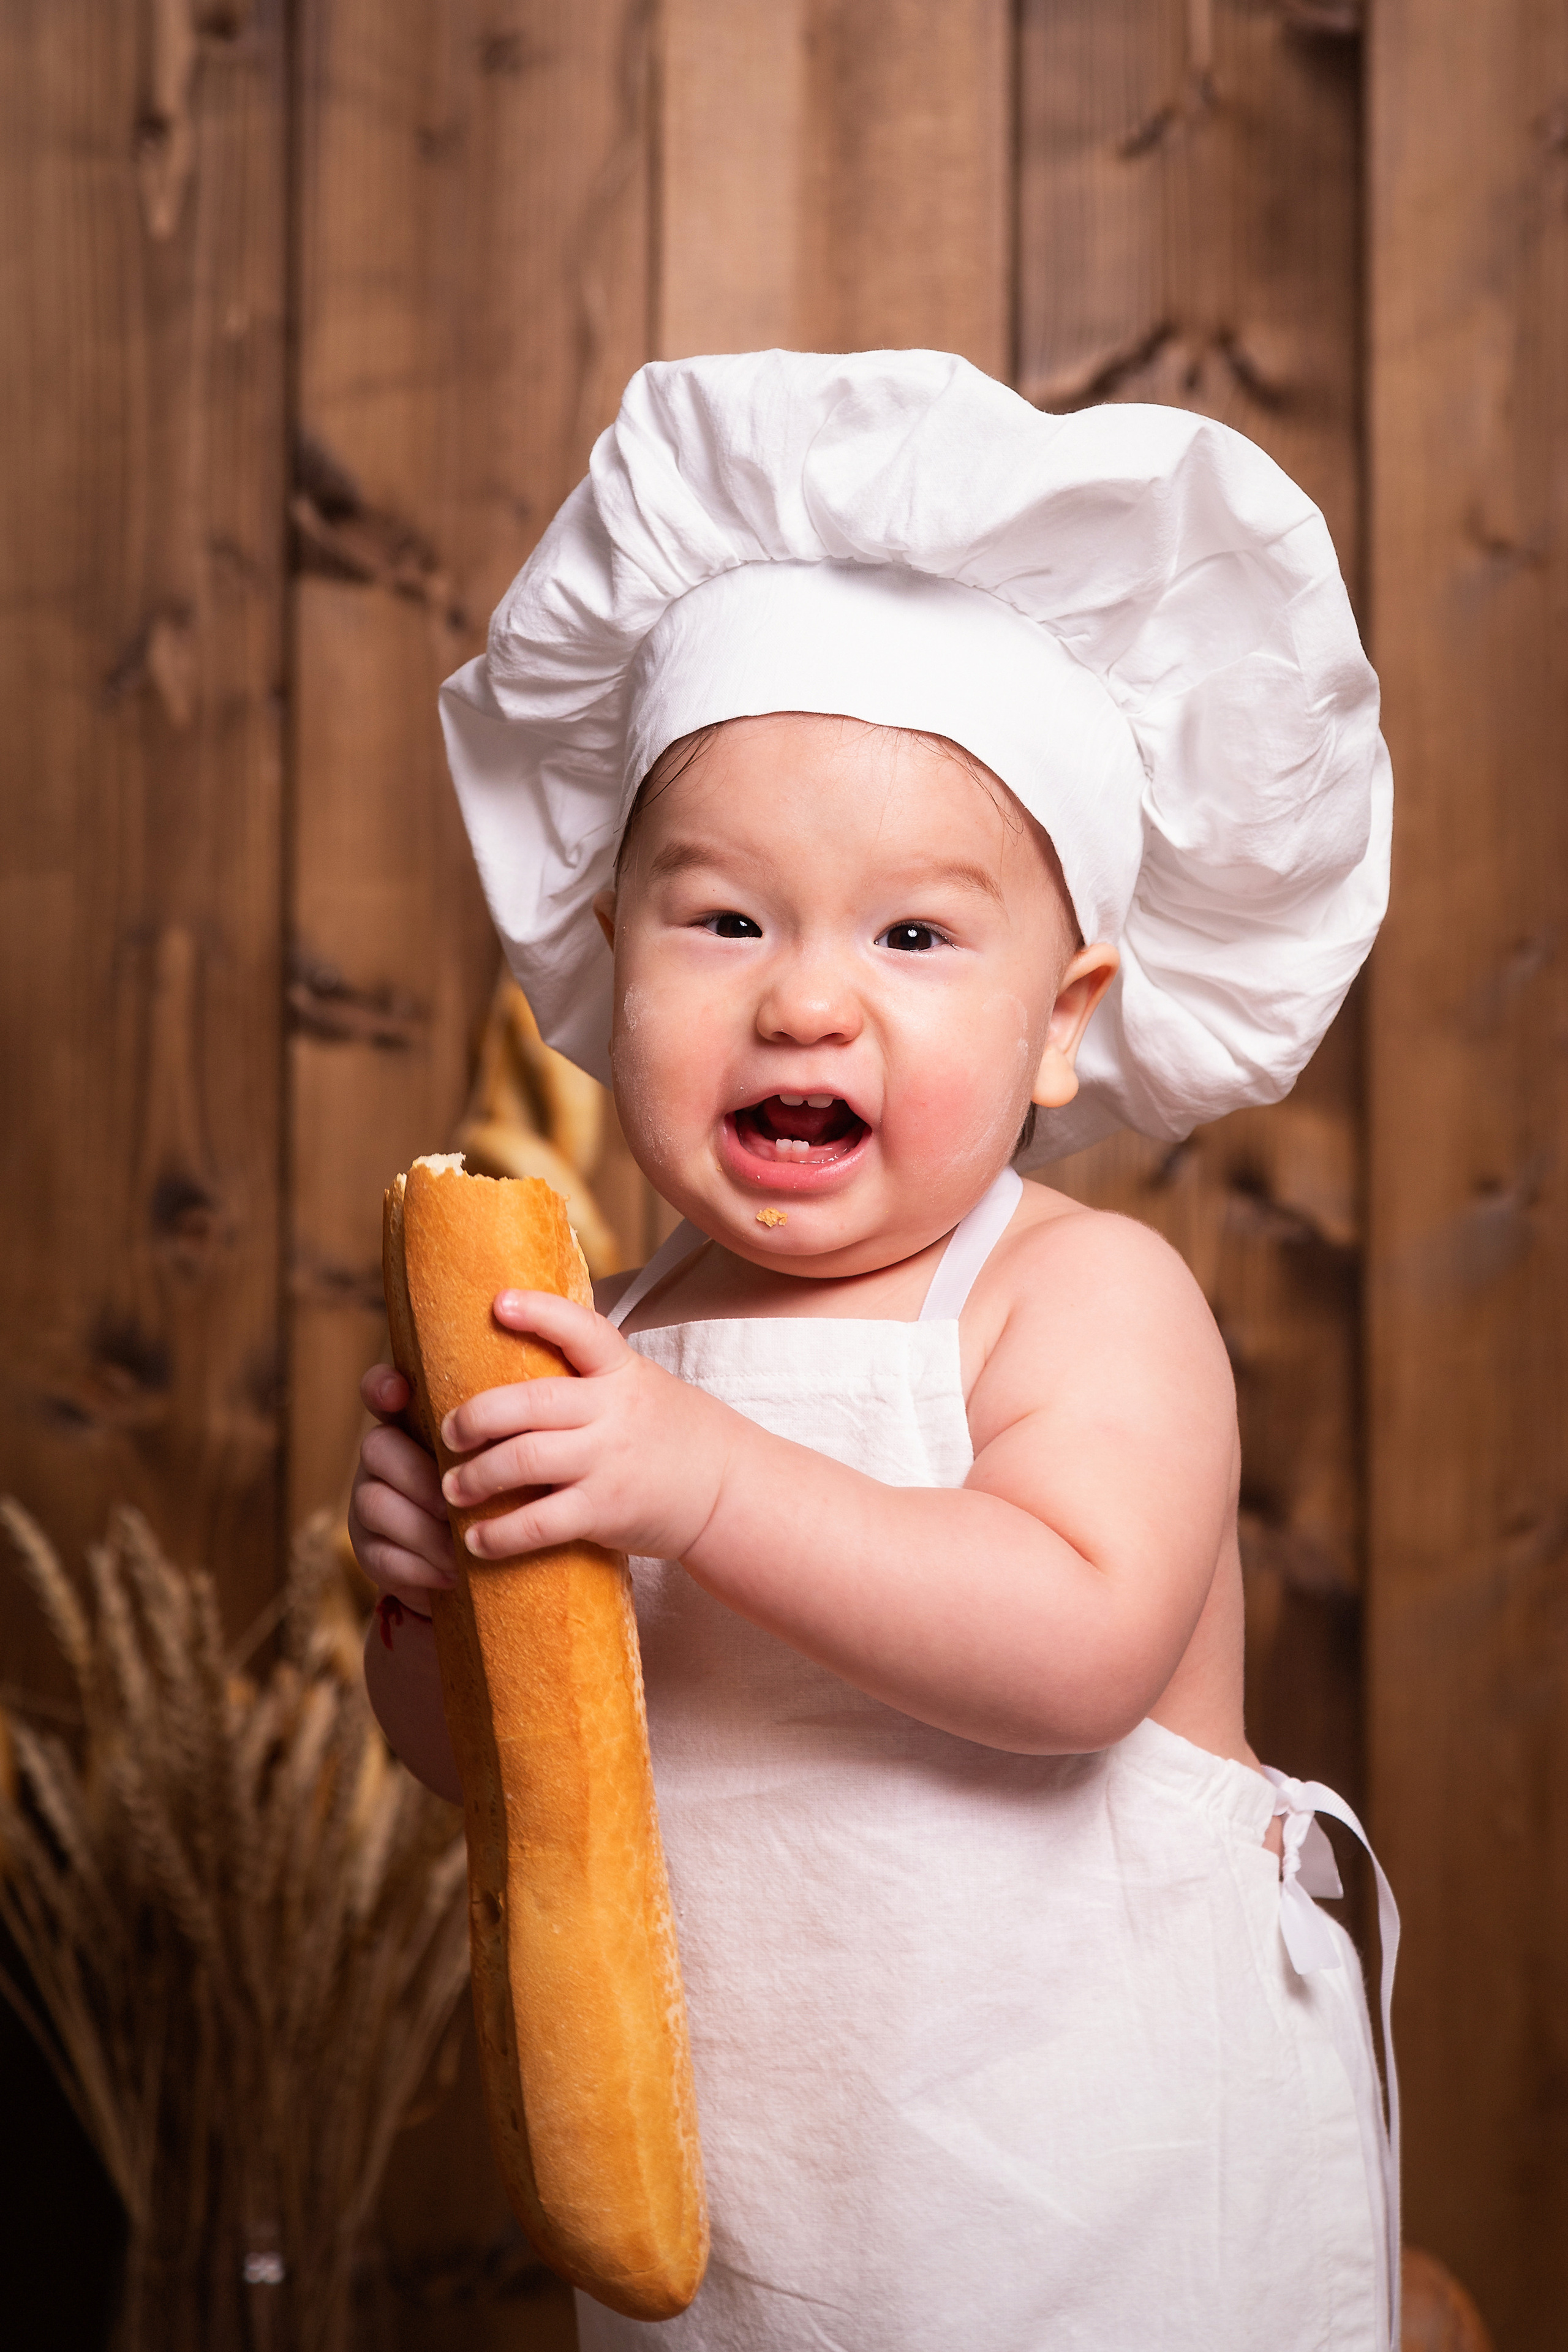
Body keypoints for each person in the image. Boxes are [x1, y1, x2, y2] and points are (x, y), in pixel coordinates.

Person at [350, 350, 1400, 2352]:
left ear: (1063, 1017)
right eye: (726, 922)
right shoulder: (614, 1342)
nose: (808, 1004)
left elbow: (1079, 1653)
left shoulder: (1074, 1299)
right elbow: (505, 1782)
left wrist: (699, 1481)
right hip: (755, 2254)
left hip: (1103, 2226)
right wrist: (431, 1615)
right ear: (610, 955)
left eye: (914, 938)